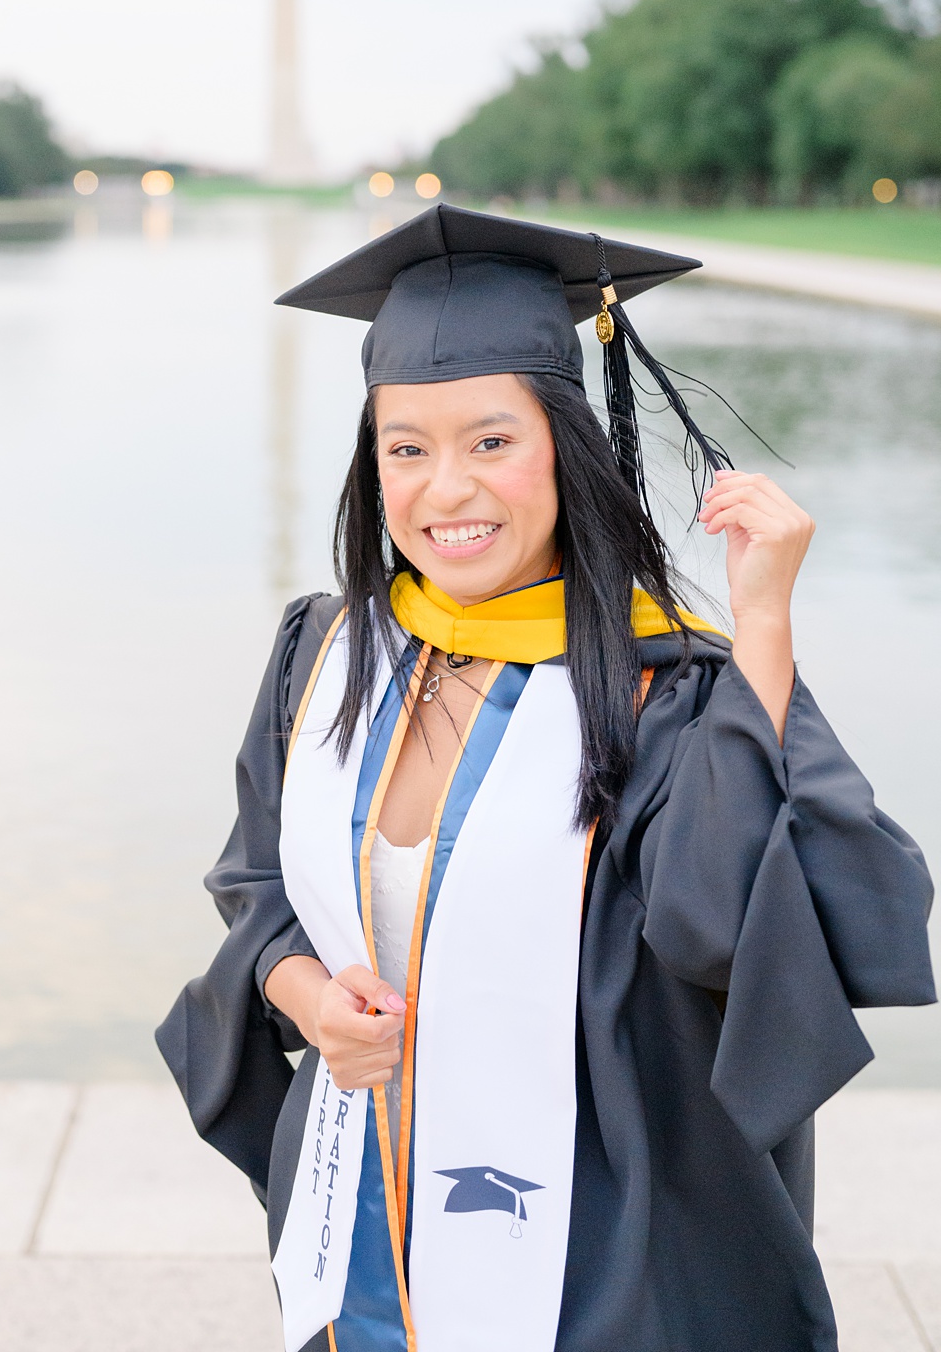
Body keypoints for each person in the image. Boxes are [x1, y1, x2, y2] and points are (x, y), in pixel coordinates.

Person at [157, 206, 934, 1351]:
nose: (444, 490)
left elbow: (732, 928)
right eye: (406, 447)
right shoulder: (326, 655)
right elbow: (258, 885)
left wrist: (762, 621)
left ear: (564, 446)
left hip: (600, 1249)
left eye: (491, 440)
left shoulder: (663, 686)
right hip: (364, 1220)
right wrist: (305, 998)